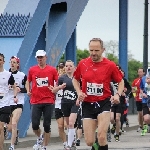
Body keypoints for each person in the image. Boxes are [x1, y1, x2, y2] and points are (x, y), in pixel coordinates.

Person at [72, 38, 124, 150]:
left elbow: (121, 81)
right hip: (87, 103)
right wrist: (79, 92)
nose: (93, 53)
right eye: (91, 50)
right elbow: (75, 79)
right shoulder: (83, 63)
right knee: (89, 141)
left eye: (96, 50)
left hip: (103, 102)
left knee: (101, 136)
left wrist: (117, 95)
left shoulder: (110, 65)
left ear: (103, 50)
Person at [26, 50, 58, 150]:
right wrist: (28, 90)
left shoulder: (52, 70)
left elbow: (57, 81)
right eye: (38, 58)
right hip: (36, 100)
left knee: (47, 125)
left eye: (41, 57)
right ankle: (40, 138)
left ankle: (44, 146)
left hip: (49, 100)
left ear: (46, 58)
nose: (40, 59)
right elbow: (28, 81)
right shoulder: (32, 69)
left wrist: (56, 88)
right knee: (35, 124)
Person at [50, 60, 79, 150]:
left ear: (74, 68)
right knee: (68, 125)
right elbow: (54, 91)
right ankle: (72, 140)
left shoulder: (78, 78)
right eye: (66, 66)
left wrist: (79, 98)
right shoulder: (62, 78)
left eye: (70, 66)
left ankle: (69, 145)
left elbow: (83, 89)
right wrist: (60, 87)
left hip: (75, 103)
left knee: (70, 123)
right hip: (65, 103)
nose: (68, 67)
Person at [7, 56, 27, 150]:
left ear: (18, 64)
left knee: (14, 123)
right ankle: (16, 133)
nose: (12, 64)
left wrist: (20, 89)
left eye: (14, 62)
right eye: (11, 62)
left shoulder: (22, 75)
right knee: (9, 128)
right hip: (7, 102)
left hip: (18, 102)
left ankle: (12, 146)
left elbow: (27, 89)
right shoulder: (5, 74)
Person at [0, 53, 18, 150]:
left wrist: (15, 96)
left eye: (0, 60)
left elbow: (14, 86)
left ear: (3, 62)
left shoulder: (8, 74)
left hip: (4, 104)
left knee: (0, 127)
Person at [55, 62, 67, 149]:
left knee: (68, 125)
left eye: (63, 68)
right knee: (60, 126)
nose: (61, 70)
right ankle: (65, 143)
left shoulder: (69, 80)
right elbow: (52, 91)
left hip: (67, 105)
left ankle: (71, 140)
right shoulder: (55, 80)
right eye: (60, 68)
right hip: (58, 105)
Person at [132, 68, 145, 132]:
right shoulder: (135, 81)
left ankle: (145, 125)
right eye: (139, 72)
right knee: (140, 113)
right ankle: (141, 125)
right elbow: (133, 90)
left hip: (145, 99)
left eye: (141, 72)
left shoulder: (146, 79)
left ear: (144, 73)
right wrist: (135, 96)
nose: (140, 73)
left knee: (144, 113)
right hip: (138, 99)